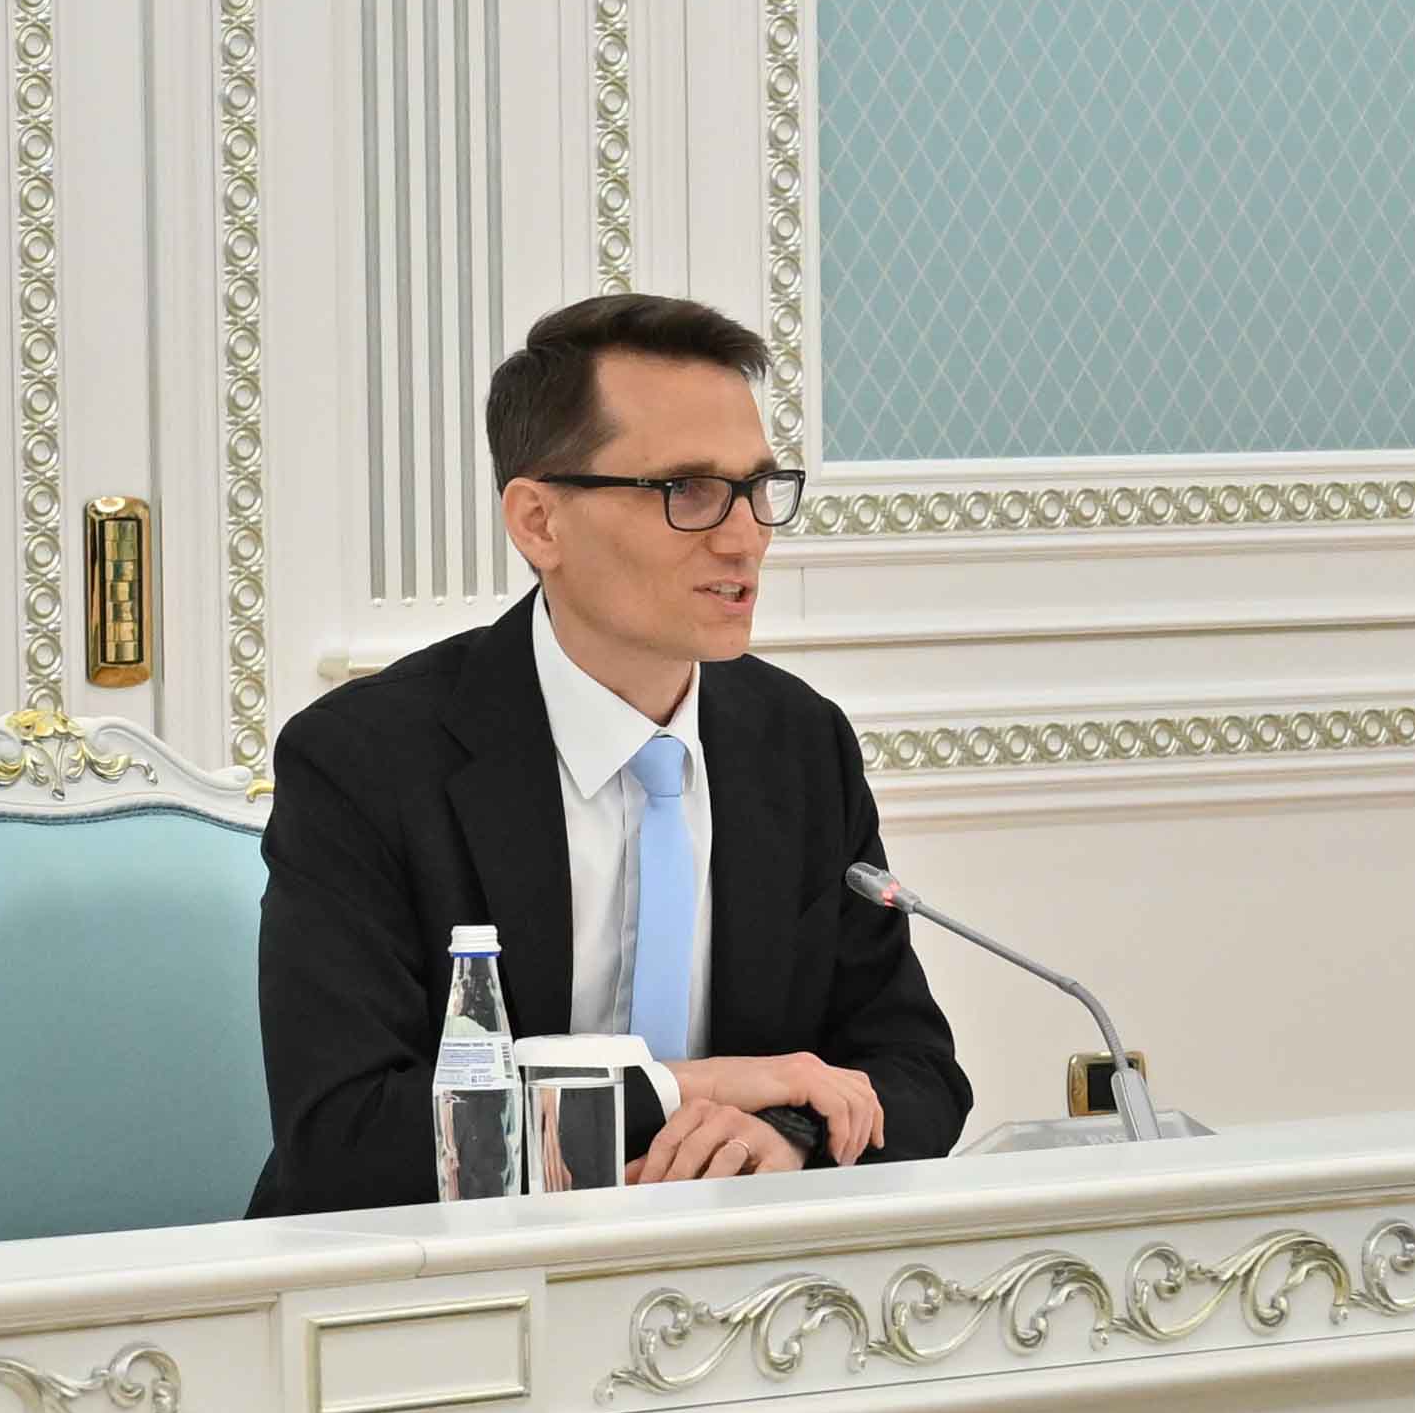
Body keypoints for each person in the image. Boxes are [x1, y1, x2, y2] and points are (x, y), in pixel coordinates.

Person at [248, 292, 969, 1215]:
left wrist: (781, 1133)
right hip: (441, 1275)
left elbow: (915, 1072)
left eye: (758, 489)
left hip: (733, 1270)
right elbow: (345, 1138)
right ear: (538, 522)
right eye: (687, 491)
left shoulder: (798, 744)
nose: (745, 537)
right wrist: (685, 1089)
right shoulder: (365, 761)